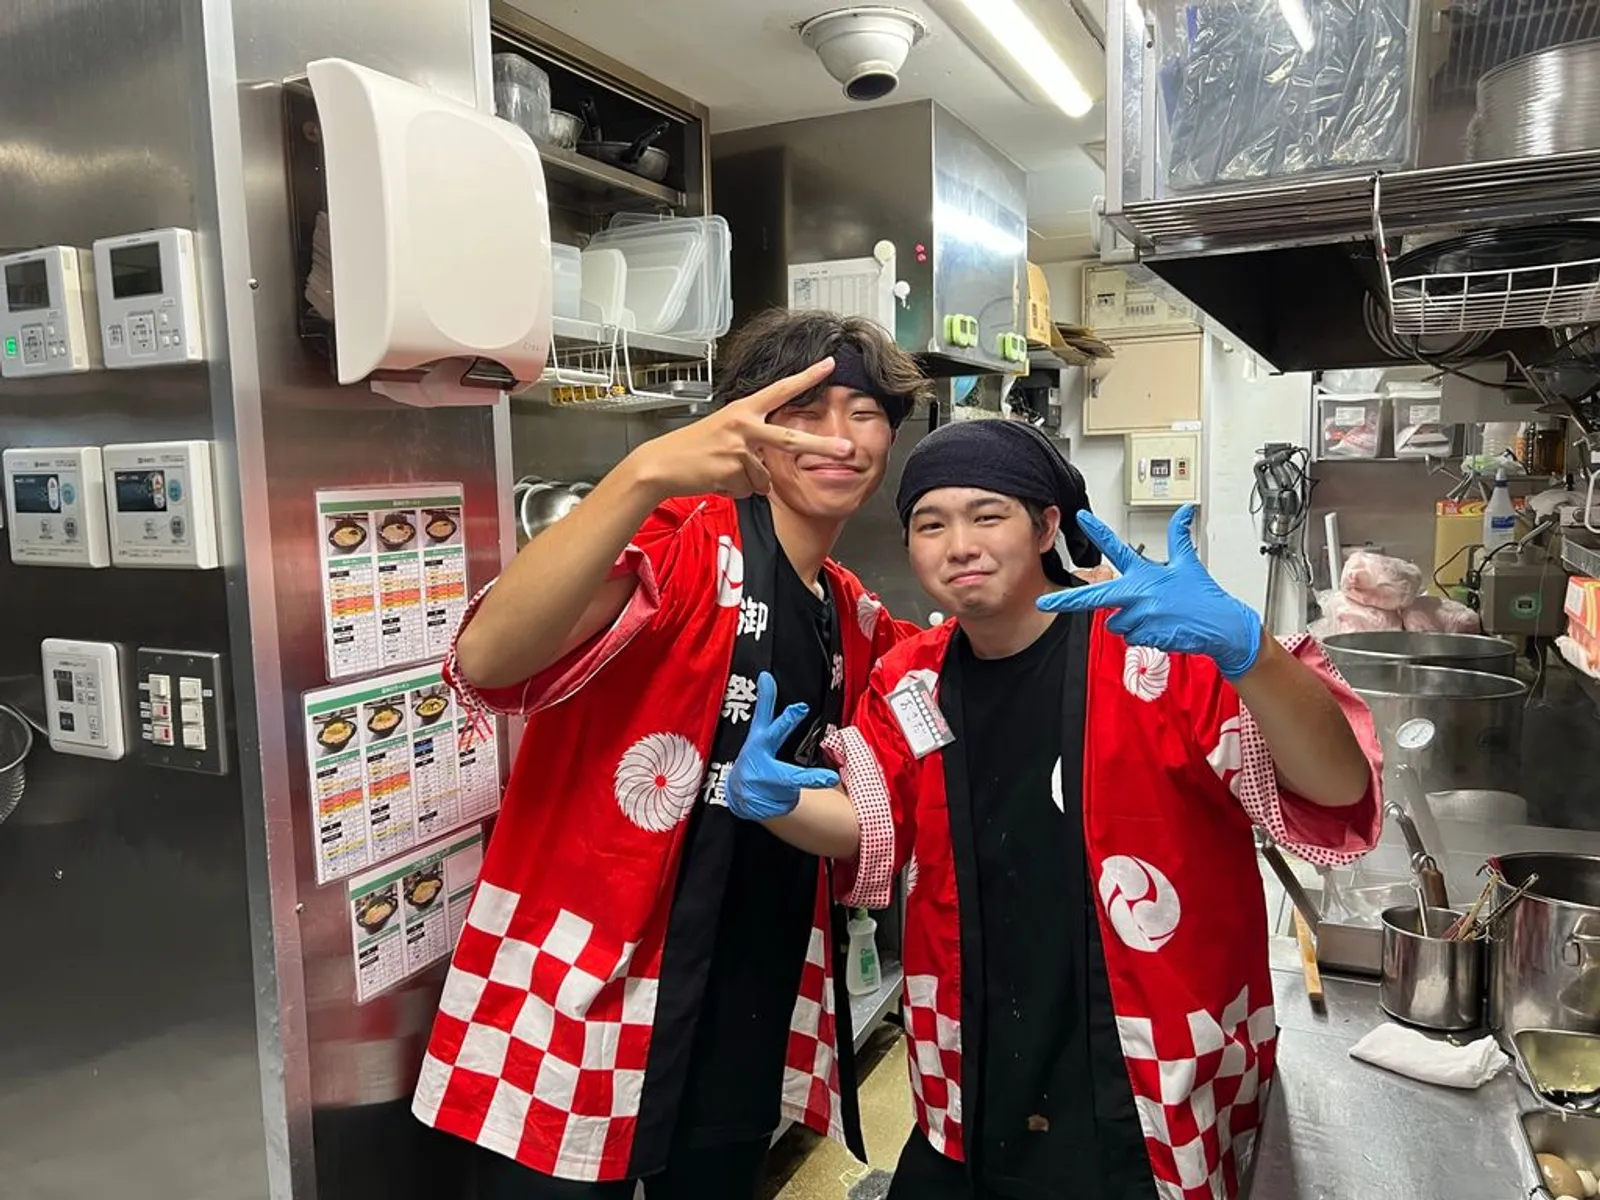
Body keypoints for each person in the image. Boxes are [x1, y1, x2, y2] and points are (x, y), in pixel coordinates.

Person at [723, 419, 1384, 1200]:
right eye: (930, 524)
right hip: (971, 1066)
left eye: (986, 515)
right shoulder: (911, 678)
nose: (958, 544)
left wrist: (1251, 654)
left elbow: (1337, 791)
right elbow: (872, 822)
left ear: (1044, 527)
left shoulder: (1158, 653)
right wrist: (772, 805)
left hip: (1148, 1073)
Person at [412, 309, 933, 1198]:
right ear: (745, 425)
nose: (838, 439)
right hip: (593, 984)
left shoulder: (851, 611)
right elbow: (485, 660)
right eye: (803, 410)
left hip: (748, 982)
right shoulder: (683, 540)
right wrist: (646, 469)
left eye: (864, 412)